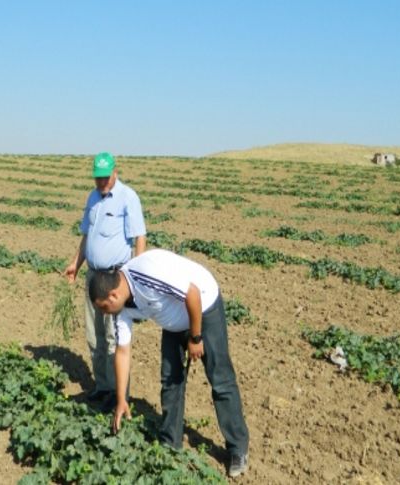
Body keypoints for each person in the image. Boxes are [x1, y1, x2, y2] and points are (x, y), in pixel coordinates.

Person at [88, 249, 250, 478]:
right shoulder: (120, 308)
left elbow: (192, 293)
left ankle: (238, 449)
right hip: (173, 322)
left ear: (113, 295)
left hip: (203, 307)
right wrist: (122, 399)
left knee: (220, 379)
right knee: (170, 382)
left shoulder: (147, 274)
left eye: (103, 307)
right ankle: (170, 445)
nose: (105, 314)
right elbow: (122, 352)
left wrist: (195, 337)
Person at [64, 152, 147, 409]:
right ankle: (102, 386)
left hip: (114, 277)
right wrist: (75, 264)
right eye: (97, 178)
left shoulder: (127, 197)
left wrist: (136, 277)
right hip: (93, 276)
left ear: (115, 172)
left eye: (105, 178)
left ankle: (118, 392)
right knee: (94, 335)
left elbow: (139, 237)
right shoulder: (92, 197)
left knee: (114, 336)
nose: (101, 183)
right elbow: (87, 236)